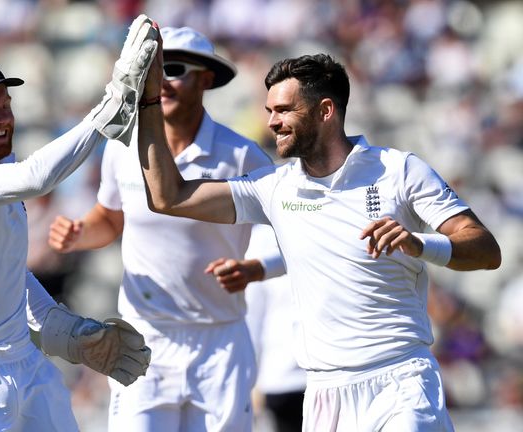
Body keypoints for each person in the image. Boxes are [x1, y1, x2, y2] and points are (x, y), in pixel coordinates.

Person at [137, 50, 502, 431]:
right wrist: (148, 100)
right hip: (324, 394)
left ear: (325, 111)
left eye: (283, 110)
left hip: (400, 381)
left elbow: (485, 249)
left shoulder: (400, 170)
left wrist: (421, 245)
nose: (271, 123)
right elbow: (168, 197)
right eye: (269, 110)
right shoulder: (272, 188)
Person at [0, 15, 157, 432]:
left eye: (5, 103)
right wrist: (112, 105)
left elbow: (9, 274)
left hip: (23, 364)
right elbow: (37, 177)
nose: (3, 117)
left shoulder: (0, 175)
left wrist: (65, 331)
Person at [48, 26, 279, 431]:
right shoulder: (121, 149)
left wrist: (252, 267)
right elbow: (109, 220)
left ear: (206, 79)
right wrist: (79, 233)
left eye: (171, 69)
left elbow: (284, 233)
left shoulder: (242, 156)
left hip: (219, 340)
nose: (160, 83)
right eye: (152, 72)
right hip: (145, 338)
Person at [243, 224, 305, 432]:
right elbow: (252, 316)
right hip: (282, 380)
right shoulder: (262, 237)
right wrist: (250, 384)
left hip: (333, 377)